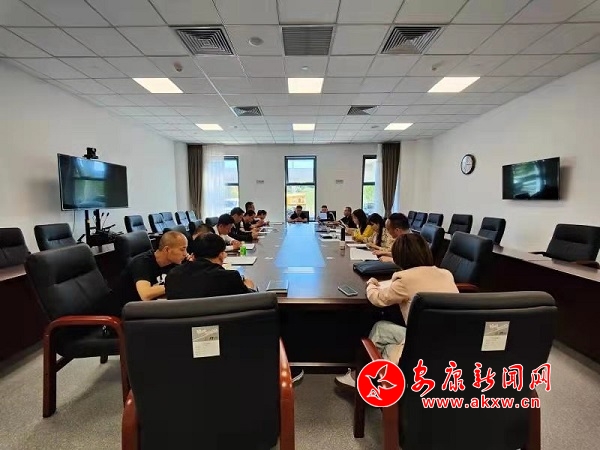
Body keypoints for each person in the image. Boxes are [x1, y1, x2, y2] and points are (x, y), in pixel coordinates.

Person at [336, 233, 458, 388]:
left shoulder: (404, 279)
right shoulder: (446, 274)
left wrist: (371, 283)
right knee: (381, 328)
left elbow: (378, 299)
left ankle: (365, 379)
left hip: (420, 347)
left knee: (386, 347)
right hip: (452, 342)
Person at [165, 233, 256, 299]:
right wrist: (249, 286)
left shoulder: (172, 276)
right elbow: (251, 300)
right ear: (221, 255)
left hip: (184, 320)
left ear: (193, 255)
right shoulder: (230, 277)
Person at [118, 231, 188, 303]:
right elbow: (146, 295)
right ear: (167, 250)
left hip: (154, 303)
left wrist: (191, 265)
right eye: (182, 249)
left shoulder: (173, 261)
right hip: (128, 306)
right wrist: (175, 285)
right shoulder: (142, 263)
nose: (185, 254)